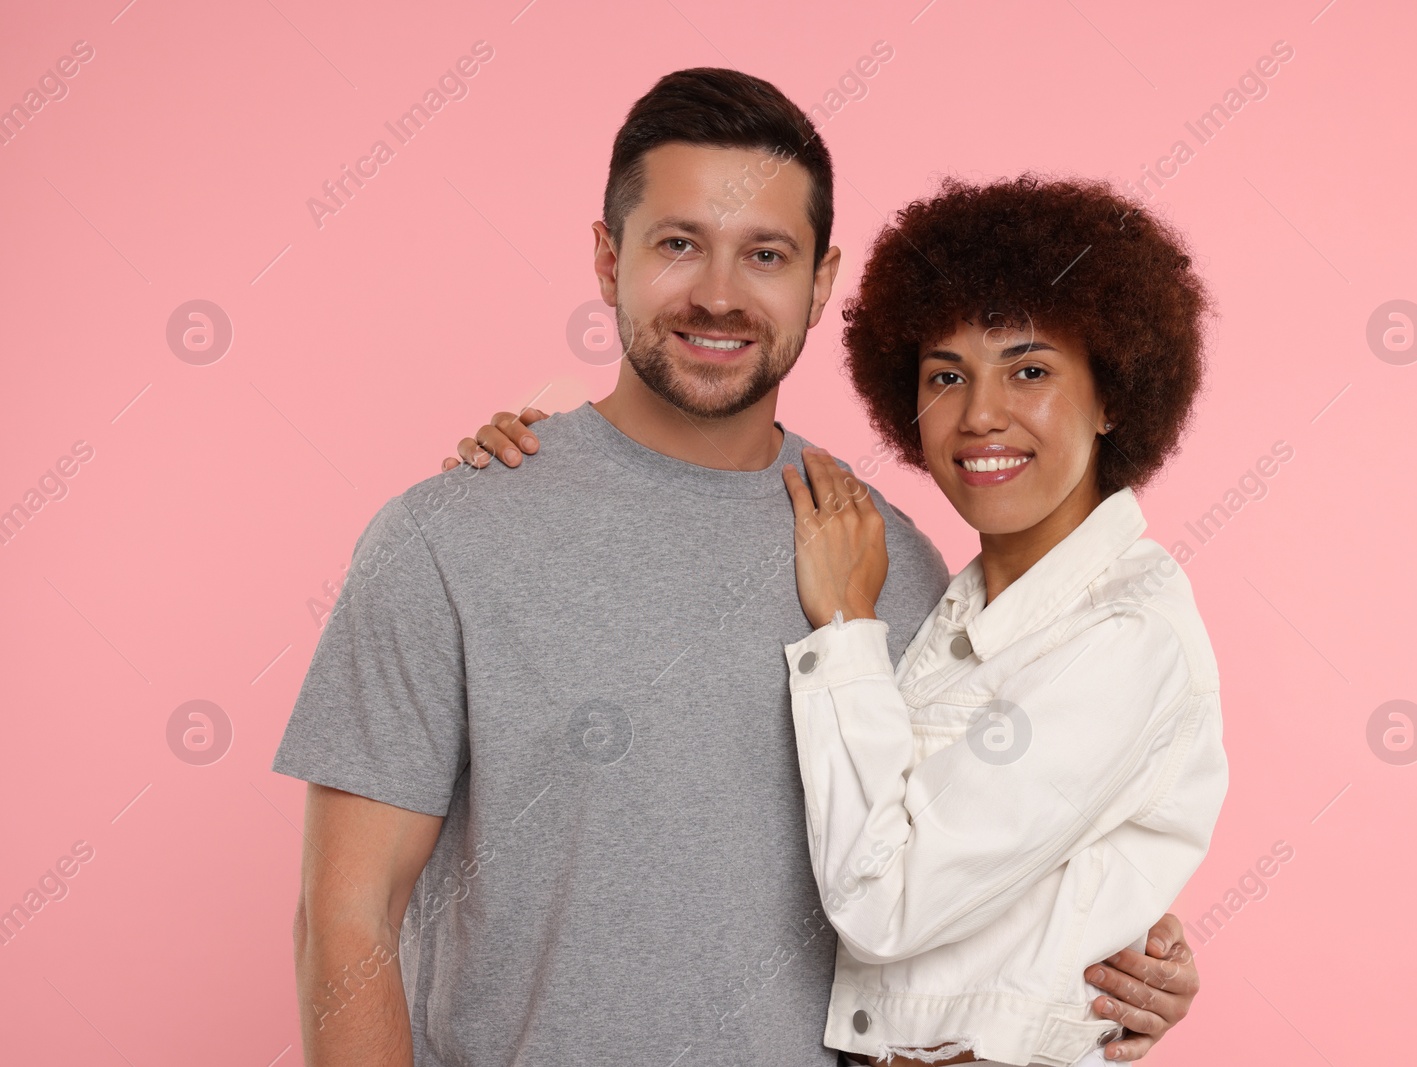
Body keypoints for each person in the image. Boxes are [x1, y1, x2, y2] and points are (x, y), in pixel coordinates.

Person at [277, 68, 1196, 1067]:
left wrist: (1133, 958)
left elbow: (969, 864)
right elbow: (347, 918)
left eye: (764, 253)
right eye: (678, 243)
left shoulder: (892, 562)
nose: (718, 293)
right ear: (605, 256)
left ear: (821, 278)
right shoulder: (449, 536)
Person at [777, 176, 1224, 1066]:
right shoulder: (941, 599)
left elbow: (882, 903)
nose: (981, 414)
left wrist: (841, 627)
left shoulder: (1124, 639)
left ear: (1111, 397)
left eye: (1029, 369)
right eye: (947, 374)